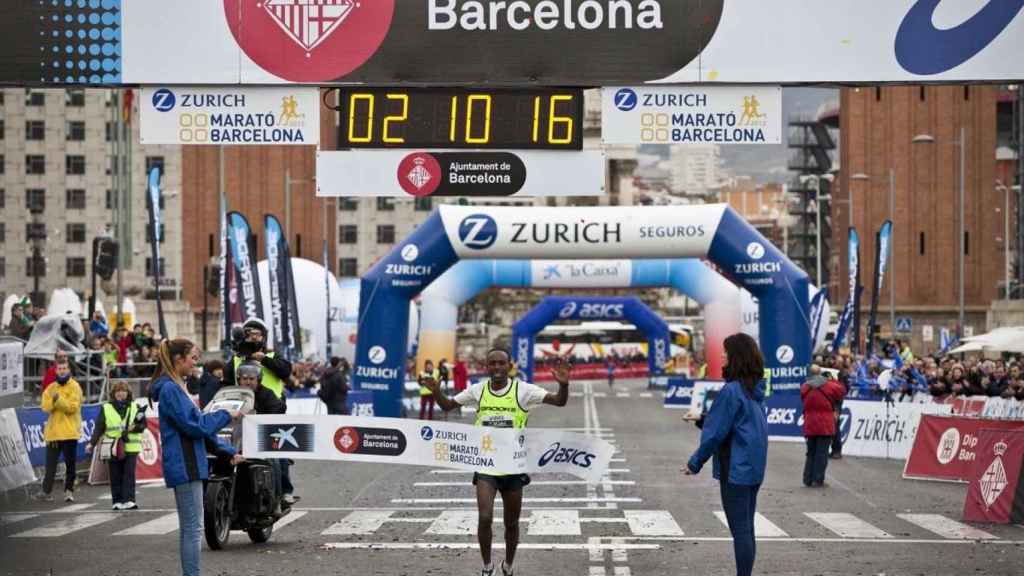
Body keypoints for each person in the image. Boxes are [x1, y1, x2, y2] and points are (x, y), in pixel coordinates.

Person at [423, 348, 571, 576]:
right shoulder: (478, 390)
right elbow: (447, 406)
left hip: (513, 467)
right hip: (486, 465)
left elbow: (559, 402)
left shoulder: (523, 390)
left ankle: (508, 565)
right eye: (492, 363)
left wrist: (563, 385)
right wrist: (436, 393)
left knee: (511, 524)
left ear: (509, 365)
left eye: (502, 363)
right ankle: (487, 566)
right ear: (486, 366)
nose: (497, 368)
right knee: (485, 517)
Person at [150, 339, 242, 576]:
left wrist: (227, 451)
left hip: (187, 462)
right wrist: (226, 414)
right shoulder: (172, 389)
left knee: (190, 528)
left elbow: (197, 429)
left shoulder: (175, 387)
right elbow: (196, 426)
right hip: (186, 464)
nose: (195, 363)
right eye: (192, 357)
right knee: (192, 529)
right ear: (178, 359)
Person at [684, 333, 768, 576]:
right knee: (747, 529)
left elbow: (715, 433)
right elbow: (736, 426)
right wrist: (703, 421)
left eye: (726, 352)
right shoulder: (754, 390)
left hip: (735, 469)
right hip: (753, 468)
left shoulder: (731, 391)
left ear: (736, 357)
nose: (722, 355)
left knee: (740, 530)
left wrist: (695, 462)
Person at [222, 318, 295, 502]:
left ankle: (283, 492)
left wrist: (264, 360)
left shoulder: (271, 357)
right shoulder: (236, 359)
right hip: (242, 413)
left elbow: (286, 371)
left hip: (272, 411)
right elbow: (225, 384)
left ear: (264, 337)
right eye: (249, 334)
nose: (253, 338)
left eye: (257, 334)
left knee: (277, 455)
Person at [86, 381, 146, 510]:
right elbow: (99, 428)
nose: (120, 393)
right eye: (118, 391)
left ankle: (129, 500)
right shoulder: (106, 408)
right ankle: (117, 501)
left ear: (128, 393)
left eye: (123, 390)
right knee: (115, 474)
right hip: (112, 447)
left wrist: (132, 429)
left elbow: (142, 426)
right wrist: (92, 443)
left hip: (131, 446)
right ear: (113, 393)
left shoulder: (136, 407)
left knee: (129, 474)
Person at [33, 359, 83, 502]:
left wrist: (57, 400)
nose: (62, 370)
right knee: (50, 466)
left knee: (70, 465)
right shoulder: (50, 387)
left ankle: (69, 491)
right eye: (59, 368)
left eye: (64, 368)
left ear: (69, 370)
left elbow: (71, 408)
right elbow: (45, 407)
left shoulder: (75, 387)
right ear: (56, 370)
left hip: (69, 433)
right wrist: (56, 401)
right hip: (53, 433)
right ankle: (46, 492)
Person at [800, 365, 845, 487]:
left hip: (810, 423)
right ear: (820, 373)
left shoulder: (804, 387)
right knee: (822, 453)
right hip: (825, 424)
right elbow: (841, 391)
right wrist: (832, 378)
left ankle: (807, 479)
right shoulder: (829, 385)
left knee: (810, 453)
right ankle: (817, 479)